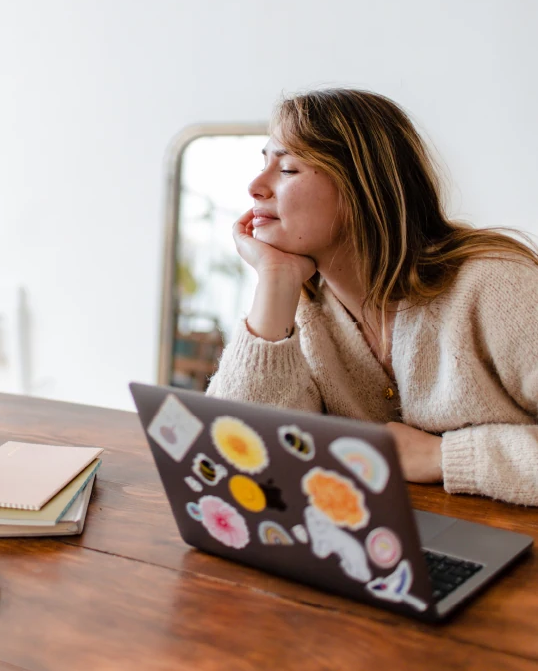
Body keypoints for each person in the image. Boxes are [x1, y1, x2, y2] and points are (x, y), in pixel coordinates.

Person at [206, 88, 538, 506]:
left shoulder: (495, 286)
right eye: (264, 162)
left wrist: (444, 458)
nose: (255, 186)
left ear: (362, 187)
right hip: (384, 549)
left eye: (288, 169)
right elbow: (234, 461)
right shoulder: (302, 311)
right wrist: (274, 280)